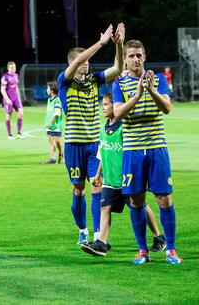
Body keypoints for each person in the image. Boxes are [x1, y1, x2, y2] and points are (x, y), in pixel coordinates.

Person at [112, 39, 181, 265]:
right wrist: (138, 93)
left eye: (139, 55)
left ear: (145, 56)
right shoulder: (119, 84)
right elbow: (118, 112)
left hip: (156, 147)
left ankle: (170, 249)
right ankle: (142, 251)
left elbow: (167, 108)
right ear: (125, 59)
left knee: (164, 198)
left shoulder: (158, 80)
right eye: (131, 55)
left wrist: (150, 90)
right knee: (136, 201)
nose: (135, 59)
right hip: (132, 150)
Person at [58, 23, 124, 247]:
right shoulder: (64, 82)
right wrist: (101, 43)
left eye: (88, 62)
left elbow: (117, 67)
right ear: (72, 63)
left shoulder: (95, 80)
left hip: (94, 144)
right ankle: (82, 230)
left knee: (98, 184)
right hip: (74, 144)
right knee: (78, 189)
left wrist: (118, 45)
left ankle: (98, 235)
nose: (87, 65)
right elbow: (77, 61)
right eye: (83, 61)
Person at [80, 94, 166, 256]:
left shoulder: (124, 128)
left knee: (140, 206)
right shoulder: (104, 127)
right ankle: (102, 244)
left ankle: (158, 237)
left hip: (126, 178)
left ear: (116, 107)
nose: (103, 107)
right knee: (105, 207)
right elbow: (102, 153)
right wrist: (97, 175)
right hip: (109, 179)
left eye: (106, 104)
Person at [1, 61, 24, 139]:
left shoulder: (16, 75)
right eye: (11, 67)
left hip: (16, 98)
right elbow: (2, 89)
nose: (13, 69)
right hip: (9, 99)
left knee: (20, 113)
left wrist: (19, 98)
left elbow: (16, 87)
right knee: (8, 116)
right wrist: (7, 99)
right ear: (8, 68)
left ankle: (19, 133)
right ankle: (9, 134)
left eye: (14, 67)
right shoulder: (5, 77)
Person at [42, 81, 64, 165]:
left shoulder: (57, 100)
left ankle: (61, 154)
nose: (46, 90)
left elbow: (57, 113)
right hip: (49, 124)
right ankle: (53, 158)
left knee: (57, 140)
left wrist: (51, 122)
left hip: (56, 124)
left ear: (51, 90)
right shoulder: (49, 100)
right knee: (50, 140)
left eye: (47, 88)